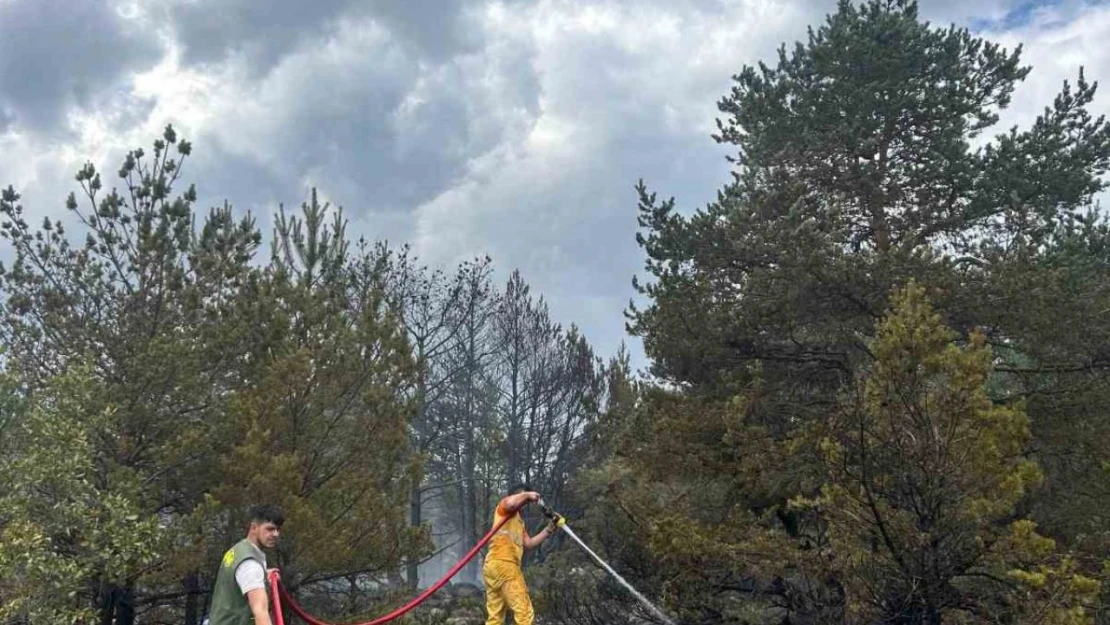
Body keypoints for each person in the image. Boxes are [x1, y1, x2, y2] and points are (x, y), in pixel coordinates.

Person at [483, 484, 562, 625]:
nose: (525, 503)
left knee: (495, 617)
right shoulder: (504, 507)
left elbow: (529, 544)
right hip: (505, 565)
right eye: (523, 497)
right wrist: (527, 495)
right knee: (524, 612)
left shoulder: (518, 522)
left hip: (493, 566)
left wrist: (549, 529)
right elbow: (511, 503)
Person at [206, 504, 284, 625]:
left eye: (278, 530)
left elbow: (239, 580)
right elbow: (260, 611)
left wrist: (264, 575)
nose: (276, 534)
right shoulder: (250, 564)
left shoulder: (238, 551)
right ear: (254, 527)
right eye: (270, 529)